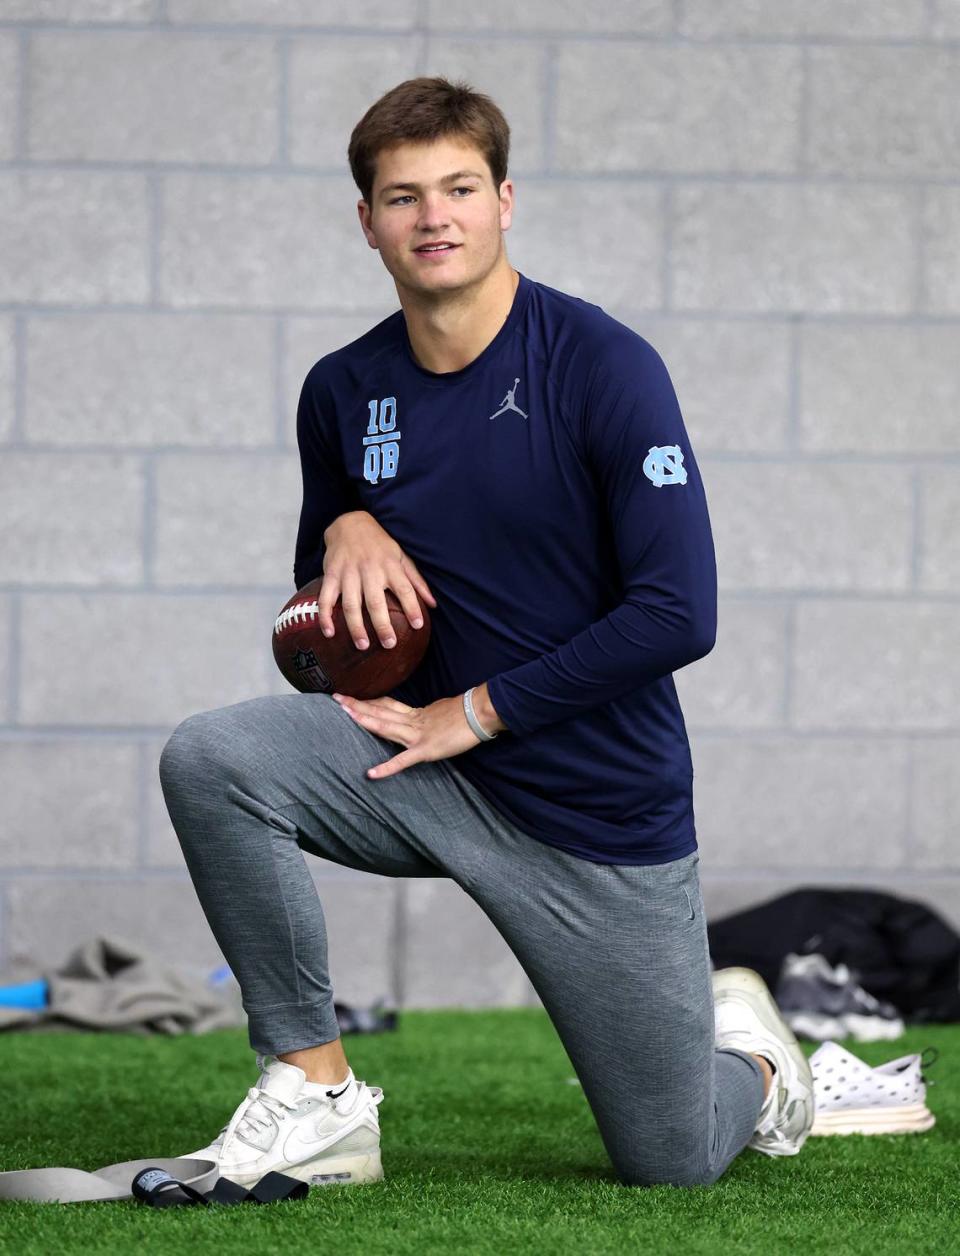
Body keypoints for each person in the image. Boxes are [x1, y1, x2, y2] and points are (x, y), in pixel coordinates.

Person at [159, 76, 813, 1191]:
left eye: (459, 187)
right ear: (366, 221)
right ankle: (316, 1093)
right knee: (212, 757)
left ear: (505, 199)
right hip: (422, 766)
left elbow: (679, 612)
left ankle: (753, 1052)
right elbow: (332, 617)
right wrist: (341, 529)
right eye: (403, 196)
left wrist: (478, 711)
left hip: (592, 813)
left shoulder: (604, 366)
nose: (434, 217)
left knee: (671, 1156)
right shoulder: (342, 389)